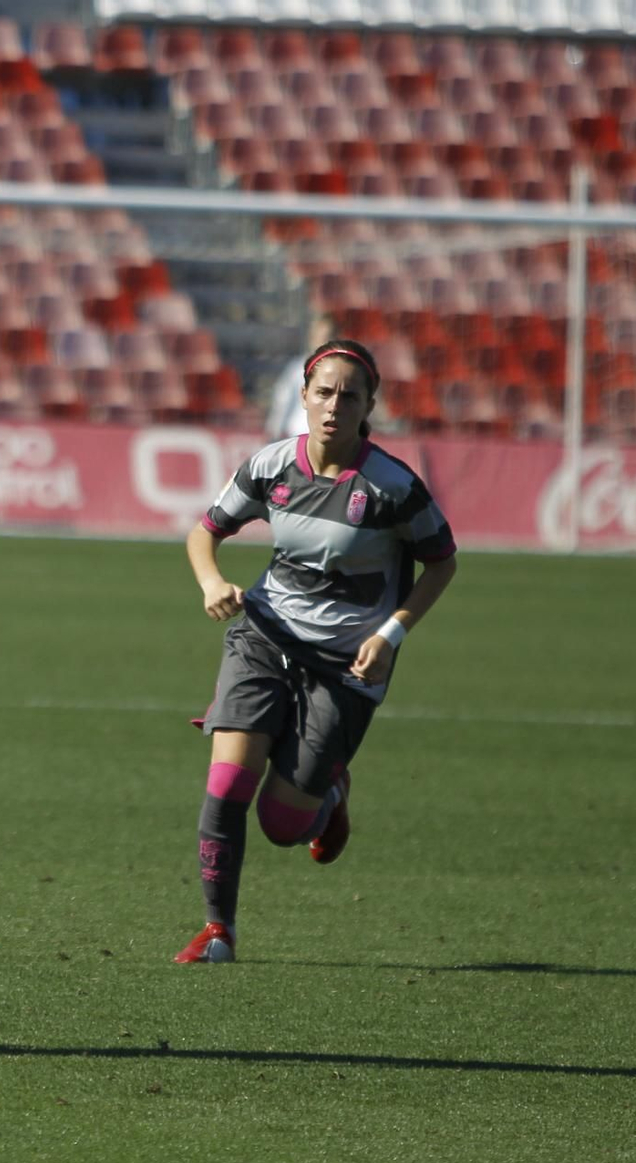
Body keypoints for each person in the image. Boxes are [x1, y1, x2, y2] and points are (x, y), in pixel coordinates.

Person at [176, 337, 457, 963]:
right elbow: (206, 532)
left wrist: (392, 634)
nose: (334, 405)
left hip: (347, 663)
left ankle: (330, 796)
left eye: (349, 395)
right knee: (225, 787)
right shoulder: (271, 465)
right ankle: (218, 931)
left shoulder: (393, 486)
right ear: (303, 397)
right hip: (263, 634)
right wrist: (211, 582)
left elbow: (442, 564)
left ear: (368, 406)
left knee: (282, 826)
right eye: (323, 392)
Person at [265, 313, 337, 440]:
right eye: (319, 337)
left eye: (327, 337)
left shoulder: (342, 373)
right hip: (298, 439)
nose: (322, 342)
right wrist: (273, 431)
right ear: (312, 338)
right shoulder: (297, 369)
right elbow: (282, 401)